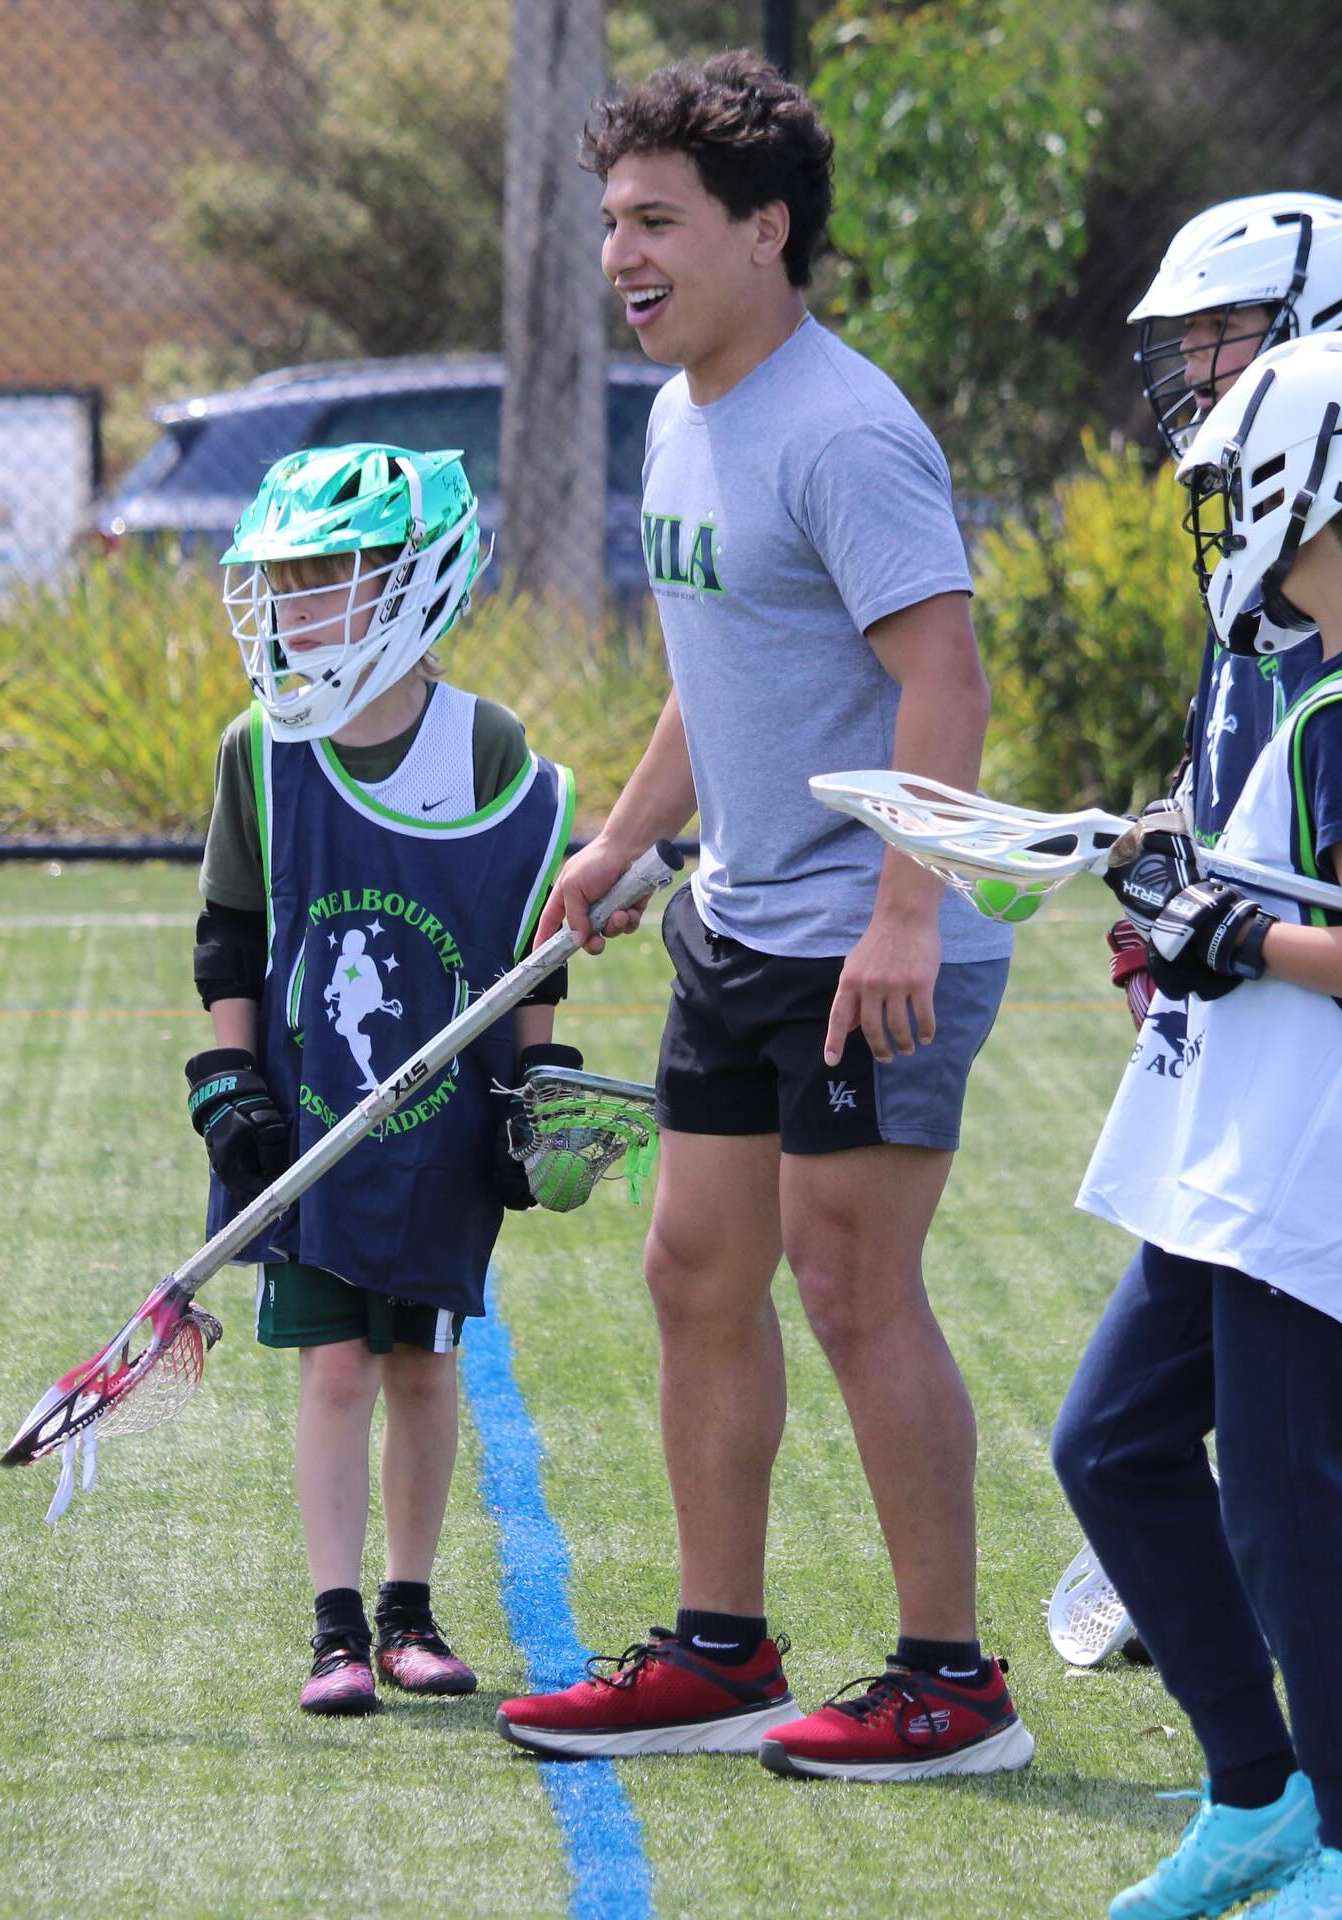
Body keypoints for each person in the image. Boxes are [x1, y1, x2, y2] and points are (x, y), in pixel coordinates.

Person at [495, 52, 1030, 1783]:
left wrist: (899, 915)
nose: (620, 256)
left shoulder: (848, 428)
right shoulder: (682, 412)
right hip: (739, 924)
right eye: (610, 224)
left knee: (853, 1285)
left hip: (869, 941)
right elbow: (710, 666)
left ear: (763, 229)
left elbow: (940, 681)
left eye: (656, 222)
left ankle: (952, 1686)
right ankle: (722, 1654)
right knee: (693, 1268)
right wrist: (624, 845)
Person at [1057, 330, 1342, 1917]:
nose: (1221, 514)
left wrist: (1230, 938)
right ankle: (1259, 1794)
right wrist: (1184, 892)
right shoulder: (1329, 684)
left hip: (1306, 1167)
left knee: (1281, 1493)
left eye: (1238, 480)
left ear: (1312, 485)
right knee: (1112, 1446)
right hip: (1239, 1162)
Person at [187, 442, 578, 1715]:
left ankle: (412, 1611)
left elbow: (528, 947)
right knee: (336, 1366)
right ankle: (336, 1625)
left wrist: (540, 1092)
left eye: (325, 580)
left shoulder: (487, 747)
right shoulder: (259, 748)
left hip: (440, 1131)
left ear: (414, 584)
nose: (295, 611)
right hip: (310, 1125)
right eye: (285, 583)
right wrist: (230, 1078)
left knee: (421, 1362)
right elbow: (232, 936)